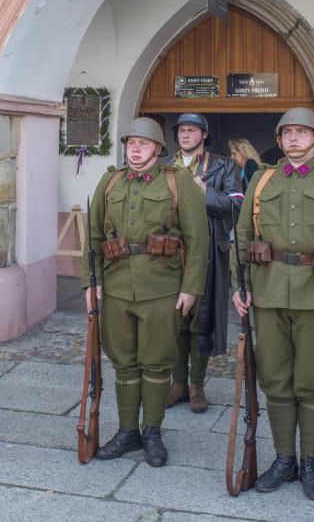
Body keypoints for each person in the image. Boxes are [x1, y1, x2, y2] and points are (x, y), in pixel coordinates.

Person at [233, 108, 314, 501]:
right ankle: (284, 459)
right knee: (275, 378)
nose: (294, 138)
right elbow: (242, 235)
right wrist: (240, 287)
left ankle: (310, 461)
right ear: (279, 139)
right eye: (288, 132)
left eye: (302, 132)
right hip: (269, 291)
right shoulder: (263, 179)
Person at [86, 117, 207, 467]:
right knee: (123, 361)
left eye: (144, 143)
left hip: (162, 287)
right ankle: (127, 432)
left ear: (157, 148)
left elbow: (198, 240)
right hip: (117, 286)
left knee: (156, 362)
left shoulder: (178, 181)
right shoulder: (110, 181)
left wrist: (191, 288)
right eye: (131, 143)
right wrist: (91, 282)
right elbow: (93, 236)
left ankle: (152, 431)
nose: (136, 149)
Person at [167, 114, 242, 414]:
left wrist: (206, 193)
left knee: (201, 320)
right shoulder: (164, 166)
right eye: (182, 130)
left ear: (204, 135)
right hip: (172, 254)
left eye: (192, 130)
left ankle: (196, 384)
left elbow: (237, 206)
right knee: (175, 319)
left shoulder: (224, 166)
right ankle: (178, 383)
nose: (186, 135)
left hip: (208, 253)